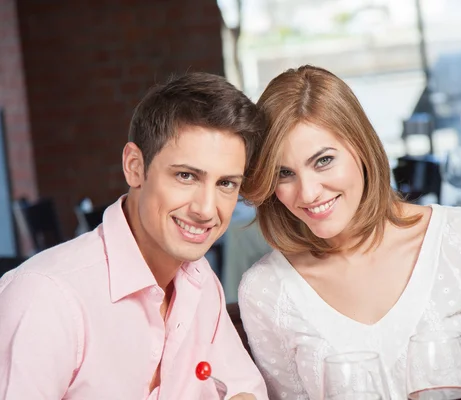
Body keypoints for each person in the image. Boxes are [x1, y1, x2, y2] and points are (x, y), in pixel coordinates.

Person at [238, 65, 461, 400]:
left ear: (361, 149)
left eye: (324, 160)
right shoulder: (266, 291)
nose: (308, 192)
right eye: (284, 173)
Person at [0, 72, 268, 400]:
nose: (206, 209)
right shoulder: (45, 299)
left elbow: (245, 389)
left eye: (226, 183)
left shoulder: (201, 283)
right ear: (134, 166)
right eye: (186, 176)